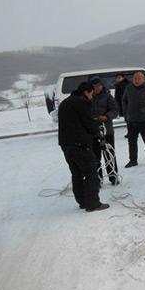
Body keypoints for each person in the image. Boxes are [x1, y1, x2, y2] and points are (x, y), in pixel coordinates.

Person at [57, 82, 109, 212]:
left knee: (76, 173)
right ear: (86, 92)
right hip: (80, 144)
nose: (92, 97)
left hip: (65, 144)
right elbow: (89, 123)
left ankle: (82, 201)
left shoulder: (66, 102)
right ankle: (93, 203)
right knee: (91, 172)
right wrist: (98, 133)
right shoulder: (82, 103)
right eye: (91, 93)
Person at [122, 71, 145, 167]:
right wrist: (126, 113)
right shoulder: (129, 88)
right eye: (135, 78)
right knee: (132, 142)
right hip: (131, 120)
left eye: (138, 79)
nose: (136, 80)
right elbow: (124, 100)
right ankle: (133, 160)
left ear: (143, 79)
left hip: (144, 120)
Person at [90, 77, 119, 185]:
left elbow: (115, 110)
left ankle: (113, 176)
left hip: (107, 131)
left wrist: (106, 117)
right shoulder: (88, 97)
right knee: (95, 157)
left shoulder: (107, 96)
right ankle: (98, 179)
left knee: (109, 155)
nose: (97, 88)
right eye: (95, 86)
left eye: (99, 85)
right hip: (93, 132)